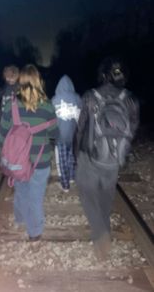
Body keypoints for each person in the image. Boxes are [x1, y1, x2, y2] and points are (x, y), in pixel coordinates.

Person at [74, 57, 139, 260]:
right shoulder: (130, 98)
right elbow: (133, 128)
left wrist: (76, 153)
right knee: (106, 195)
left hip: (90, 156)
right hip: (113, 158)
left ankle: (101, 233)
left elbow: (80, 128)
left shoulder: (90, 96)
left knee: (87, 194)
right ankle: (105, 230)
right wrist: (120, 150)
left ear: (102, 75)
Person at [0, 64, 58, 241]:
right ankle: (34, 233)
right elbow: (55, 134)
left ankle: (20, 219)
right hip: (41, 161)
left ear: (20, 82)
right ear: (39, 81)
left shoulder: (11, 105)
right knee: (35, 196)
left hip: (17, 161)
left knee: (21, 191)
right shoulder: (47, 106)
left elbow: (2, 135)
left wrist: (4, 155)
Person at [52, 75, 82, 192]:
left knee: (62, 160)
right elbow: (81, 117)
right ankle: (71, 177)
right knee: (72, 157)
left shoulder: (54, 100)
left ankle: (65, 185)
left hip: (60, 136)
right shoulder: (77, 98)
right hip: (73, 135)